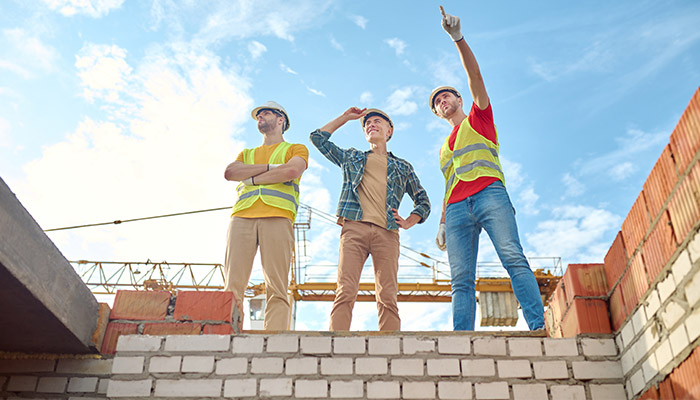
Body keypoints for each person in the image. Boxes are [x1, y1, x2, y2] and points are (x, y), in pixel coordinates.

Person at [432, 6, 545, 331]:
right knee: (460, 280)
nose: (442, 101)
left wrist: (458, 39)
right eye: (437, 101)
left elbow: (476, 79)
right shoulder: (443, 148)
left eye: (446, 95)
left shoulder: (480, 119)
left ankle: (537, 326)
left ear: (459, 98)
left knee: (513, 258)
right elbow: (449, 184)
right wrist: (441, 221)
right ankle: (461, 340)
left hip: (489, 195)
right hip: (455, 211)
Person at [310, 107, 430, 331]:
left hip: (387, 232)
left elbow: (423, 201)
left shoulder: (403, 167)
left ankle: (391, 347)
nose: (370, 125)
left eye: (376, 121)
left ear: (389, 130)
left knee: (387, 294)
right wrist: (345, 118)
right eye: (366, 124)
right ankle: (335, 341)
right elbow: (318, 138)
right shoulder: (352, 158)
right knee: (345, 290)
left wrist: (409, 221)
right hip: (354, 228)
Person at [223, 101, 308, 330]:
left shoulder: (295, 149)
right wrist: (273, 169)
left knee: (277, 286)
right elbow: (230, 172)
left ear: (281, 120)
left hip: (278, 217)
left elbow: (291, 171)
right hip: (242, 217)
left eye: (266, 113)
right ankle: (227, 335)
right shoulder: (247, 153)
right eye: (258, 114)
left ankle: (275, 341)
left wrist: (250, 178)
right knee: (232, 286)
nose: (260, 116)